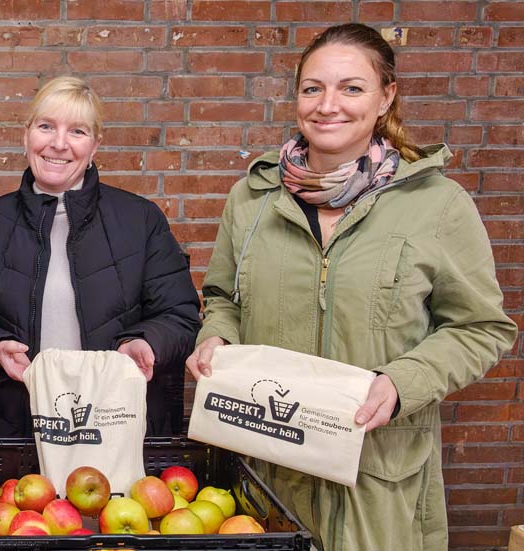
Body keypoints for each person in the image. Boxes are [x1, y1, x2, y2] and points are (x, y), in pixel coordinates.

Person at [185, 23, 517, 551]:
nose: (327, 105)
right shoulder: (250, 201)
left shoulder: (438, 204)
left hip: (379, 485)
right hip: (269, 481)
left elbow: (481, 328)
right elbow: (224, 298)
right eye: (312, 88)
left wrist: (401, 381)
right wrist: (216, 337)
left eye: (351, 88)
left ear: (386, 97)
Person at [0, 76, 202, 438]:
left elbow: (181, 314)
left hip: (117, 425)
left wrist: (146, 342)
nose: (59, 144)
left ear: (95, 145)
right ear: (27, 134)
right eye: (46, 126)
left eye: (77, 131)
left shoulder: (139, 219)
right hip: (17, 428)